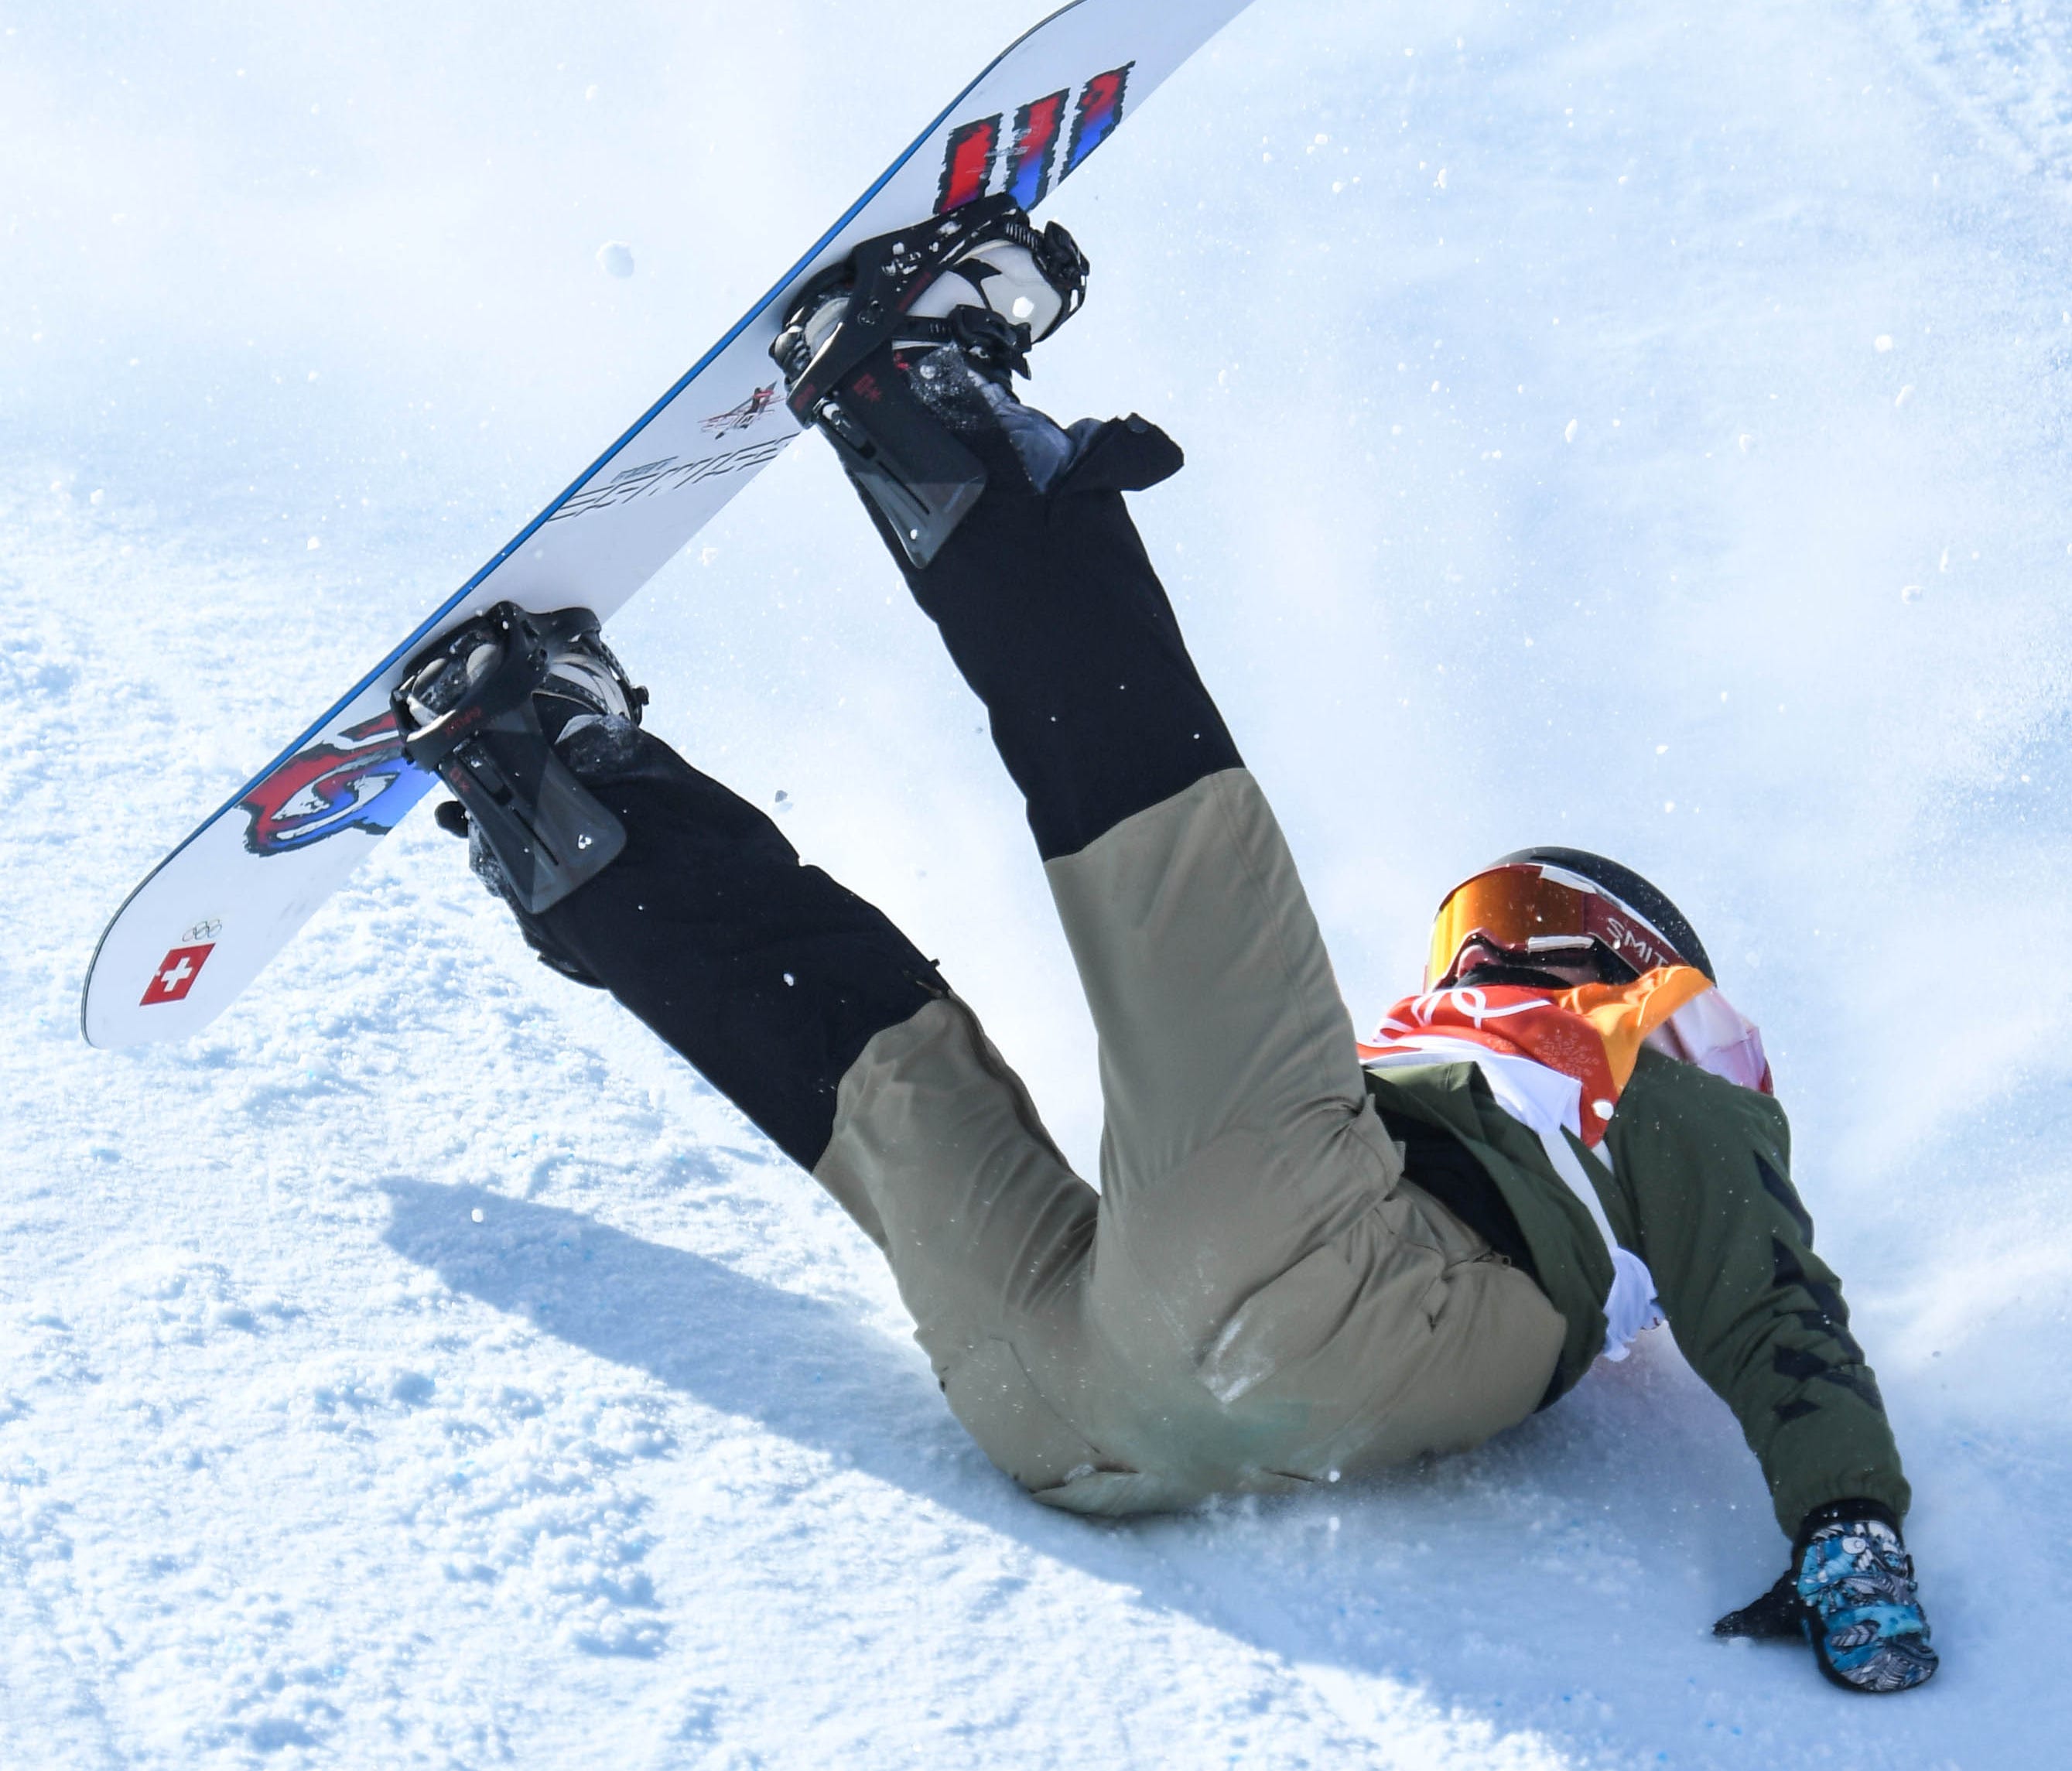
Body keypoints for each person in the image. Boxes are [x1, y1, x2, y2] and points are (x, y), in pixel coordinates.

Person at [391, 198, 1937, 1694]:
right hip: (1086, 1426)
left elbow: (1768, 1293)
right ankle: (561, 803)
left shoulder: (1644, 1039)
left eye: (1515, 931)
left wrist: (1846, 1512)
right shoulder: (1478, 1093)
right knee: (891, 1070)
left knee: (1178, 865)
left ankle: (921, 393)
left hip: (1319, 1290)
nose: (1481, 962)